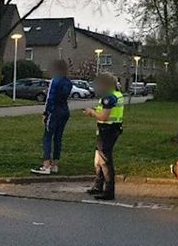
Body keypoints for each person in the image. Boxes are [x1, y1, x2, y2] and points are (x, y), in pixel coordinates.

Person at [82, 72, 125, 201]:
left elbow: (104, 116)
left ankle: (109, 191)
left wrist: (91, 113)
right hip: (111, 129)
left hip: (108, 130)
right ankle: (98, 186)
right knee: (98, 159)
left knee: (105, 161)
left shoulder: (109, 97)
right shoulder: (116, 95)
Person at [32, 60, 73, 175]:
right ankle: (55, 164)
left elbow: (50, 98)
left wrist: (46, 113)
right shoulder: (68, 82)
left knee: (47, 137)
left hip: (54, 112)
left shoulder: (55, 81)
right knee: (58, 138)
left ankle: (46, 165)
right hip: (64, 111)